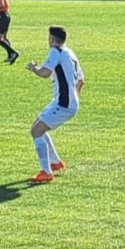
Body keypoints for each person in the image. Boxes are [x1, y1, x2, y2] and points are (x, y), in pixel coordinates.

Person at [24, 26, 85, 184]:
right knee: (38, 126)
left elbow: (45, 73)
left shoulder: (55, 51)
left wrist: (33, 68)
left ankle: (46, 172)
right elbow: (81, 81)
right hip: (66, 102)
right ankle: (55, 162)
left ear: (51, 39)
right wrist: (74, 99)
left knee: (36, 131)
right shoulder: (70, 53)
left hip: (64, 103)